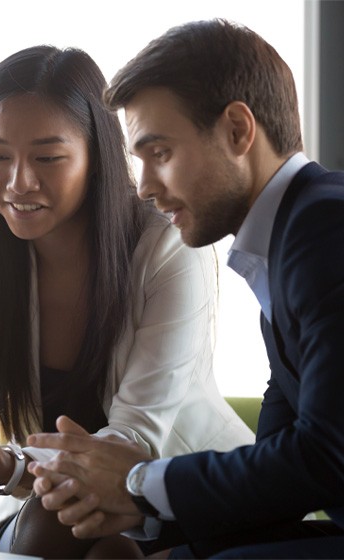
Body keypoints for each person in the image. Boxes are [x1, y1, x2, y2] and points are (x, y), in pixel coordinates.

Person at [0, 44, 253, 559]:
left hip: (171, 498)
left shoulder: (165, 247)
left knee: (91, 534)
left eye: (48, 158)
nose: (18, 182)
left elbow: (132, 442)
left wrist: (8, 466)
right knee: (85, 534)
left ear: (97, 158)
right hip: (43, 508)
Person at [26, 18, 344, 560]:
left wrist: (140, 483)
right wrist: (141, 504)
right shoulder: (288, 237)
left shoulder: (324, 231)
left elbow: (325, 457)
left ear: (238, 131)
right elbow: (286, 451)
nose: (145, 187)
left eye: (160, 153)